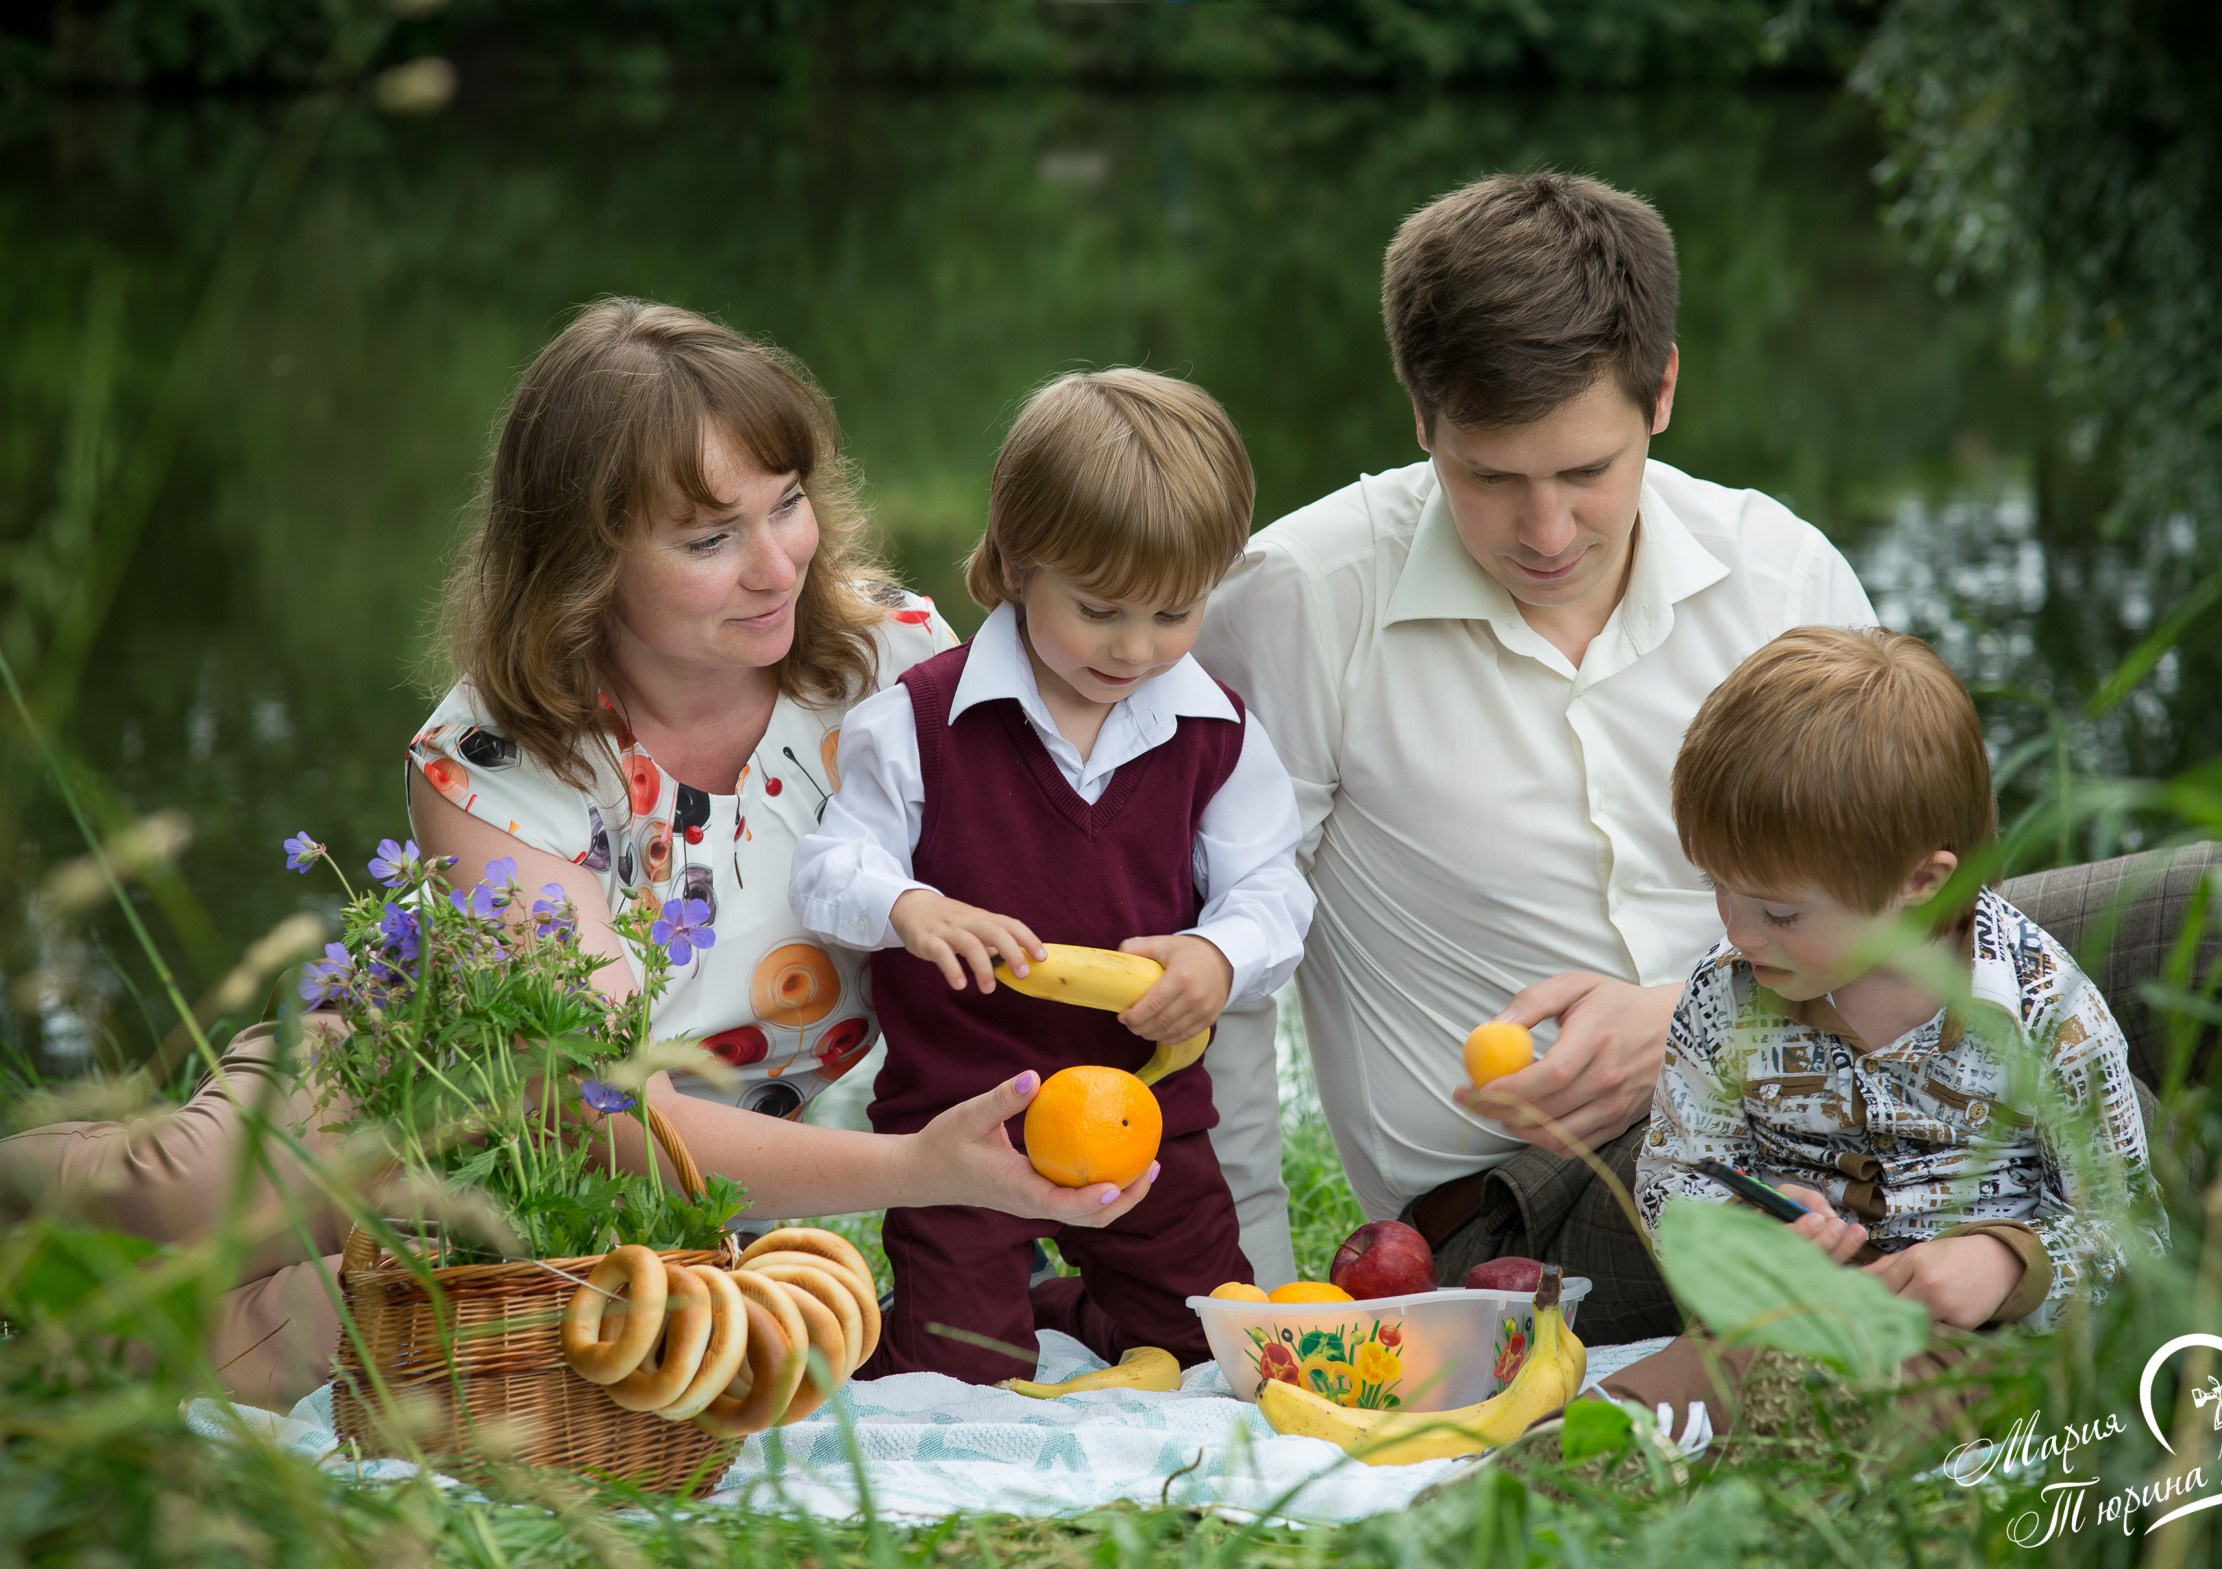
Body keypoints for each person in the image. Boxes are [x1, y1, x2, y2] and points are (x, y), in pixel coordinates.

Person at [0, 300, 1157, 1408]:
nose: (777, 565)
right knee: (178, 1201)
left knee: (236, 1345)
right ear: (585, 559)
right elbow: (598, 1103)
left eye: (788, 502)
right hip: (409, 1090)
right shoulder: (500, 753)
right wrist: (917, 1168)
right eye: (711, 537)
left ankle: (87, 1330)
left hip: (601, 1201)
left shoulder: (895, 658)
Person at [1195, 172, 1877, 1331]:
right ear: (1422, 421)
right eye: (1491, 479)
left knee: (2210, 914)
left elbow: (1926, 905)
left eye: (1586, 472)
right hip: (1526, 1212)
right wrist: (1252, 1289)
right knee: (2034, 1152)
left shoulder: (1784, 576)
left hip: (1840, 1098)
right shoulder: (1297, 603)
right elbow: (1220, 980)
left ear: (1662, 391)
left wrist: (1692, 1020)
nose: (1548, 531)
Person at [790, 368, 1312, 1383]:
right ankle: (974, 1319)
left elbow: (1273, 891)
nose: (1134, 645)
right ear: (1020, 564)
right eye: (1101, 608)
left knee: (1214, 1345)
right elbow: (830, 867)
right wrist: (910, 905)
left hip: (1144, 1108)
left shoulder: (1216, 735)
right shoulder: (916, 722)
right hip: (961, 1118)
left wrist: (1217, 952)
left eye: (1173, 611)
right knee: (960, 1369)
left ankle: (1068, 1307)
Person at [1594, 626, 2170, 1437]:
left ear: (1920, 883)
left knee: (1851, 1428)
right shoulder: (1727, 997)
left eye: (1780, 912)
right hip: (1782, 1323)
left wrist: (2006, 1263)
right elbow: (1671, 1178)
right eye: (1716, 888)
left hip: (1985, 1349)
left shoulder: (2046, 1016)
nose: (1738, 931)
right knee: (1617, 1419)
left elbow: (2132, 1235)